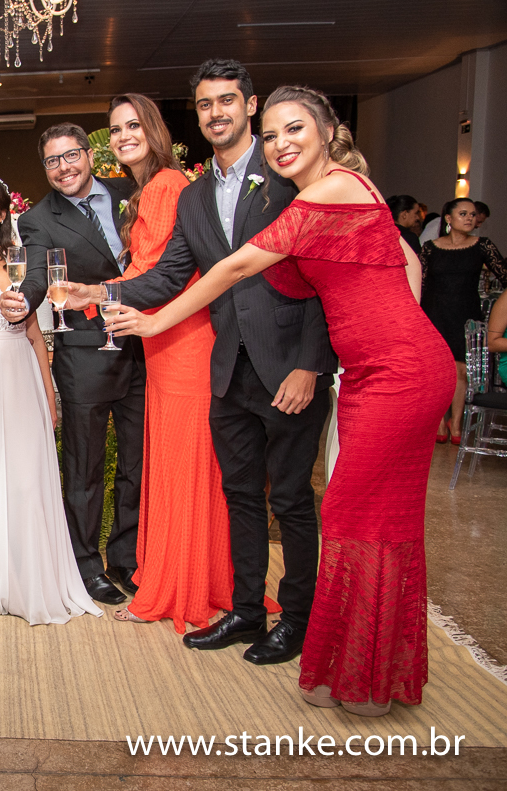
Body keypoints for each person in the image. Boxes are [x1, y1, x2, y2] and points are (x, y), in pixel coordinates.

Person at [107, 85, 453, 716]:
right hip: (375, 371)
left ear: (328, 132)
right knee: (383, 522)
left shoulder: (330, 190)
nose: (280, 143)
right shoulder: (341, 191)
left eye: (294, 129)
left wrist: (154, 323)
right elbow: (408, 261)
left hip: (398, 373)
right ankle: (372, 669)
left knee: (349, 515)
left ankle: (353, 665)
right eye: (271, 136)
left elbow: (235, 268)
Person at [67, 60, 337, 666]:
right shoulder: (193, 196)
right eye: (206, 104)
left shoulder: (288, 176)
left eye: (227, 101)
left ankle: (298, 621)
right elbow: (169, 274)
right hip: (225, 364)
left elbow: (325, 278)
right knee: (240, 494)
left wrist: (311, 364)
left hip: (288, 364)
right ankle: (246, 610)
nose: (217, 113)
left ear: (250, 105)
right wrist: (100, 292)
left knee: (290, 498)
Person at [90, 94, 232, 634]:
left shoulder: (167, 185)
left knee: (181, 466)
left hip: (183, 340)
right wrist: (98, 292)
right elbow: (146, 270)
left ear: (154, 129)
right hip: (164, 340)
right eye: (115, 129)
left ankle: (180, 584)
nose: (124, 135)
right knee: (175, 464)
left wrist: (95, 293)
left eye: (133, 125)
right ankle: (188, 573)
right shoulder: (149, 187)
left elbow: (166, 275)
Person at [0, 175, 102, 625]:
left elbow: (33, 332)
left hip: (20, 373)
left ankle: (25, 580)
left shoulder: (20, 261)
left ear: (4, 213)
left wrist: (49, 394)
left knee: (25, 479)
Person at [0, 122, 142, 607]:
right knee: (85, 466)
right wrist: (23, 300)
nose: (63, 167)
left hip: (146, 344)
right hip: (85, 354)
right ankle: (85, 564)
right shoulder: (40, 219)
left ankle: (127, 558)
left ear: (90, 154)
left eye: (71, 155)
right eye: (52, 161)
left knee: (137, 463)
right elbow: (38, 273)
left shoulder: (129, 191)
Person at [420, 197, 507, 443]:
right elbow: (421, 284)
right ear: (449, 218)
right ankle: (439, 421)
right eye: (463, 214)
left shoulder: (482, 245)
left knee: (461, 370)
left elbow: (504, 275)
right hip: (434, 314)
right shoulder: (430, 247)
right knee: (436, 370)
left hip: (465, 314)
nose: (470, 218)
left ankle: (456, 423)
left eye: (472, 214)